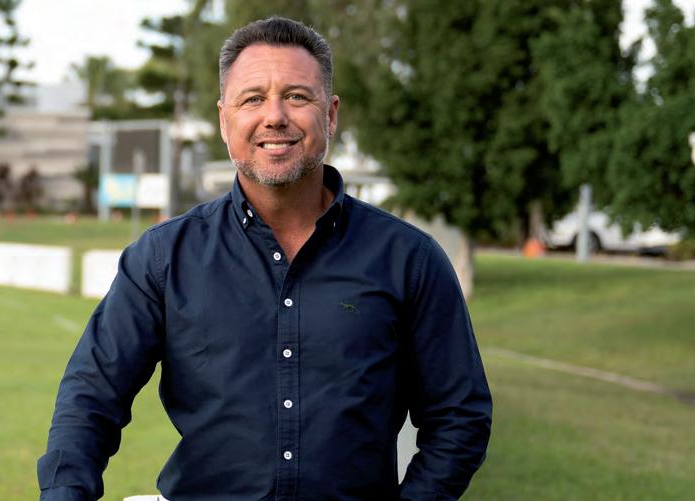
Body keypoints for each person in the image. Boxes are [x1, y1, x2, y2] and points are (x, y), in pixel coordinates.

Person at [37, 17, 492, 500]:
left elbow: (459, 417)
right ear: (223, 120)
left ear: (330, 115)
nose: (274, 117)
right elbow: (90, 397)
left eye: (296, 96)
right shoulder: (162, 258)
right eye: (252, 99)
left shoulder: (408, 259)